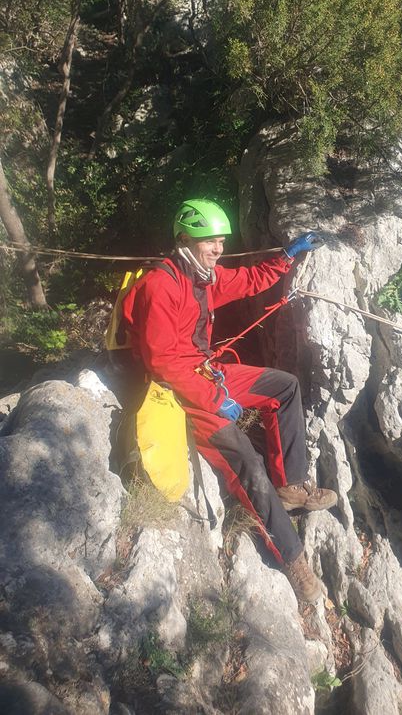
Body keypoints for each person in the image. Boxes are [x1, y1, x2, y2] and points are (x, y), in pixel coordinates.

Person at [122, 198, 337, 601]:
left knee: (285, 386)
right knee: (245, 461)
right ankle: (293, 559)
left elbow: (248, 279)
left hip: (206, 375)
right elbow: (163, 360)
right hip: (179, 392)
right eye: (210, 241)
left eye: (221, 240)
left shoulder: (204, 278)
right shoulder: (160, 285)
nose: (219, 248)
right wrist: (212, 398)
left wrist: (287, 257)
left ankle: (290, 487)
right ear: (186, 239)